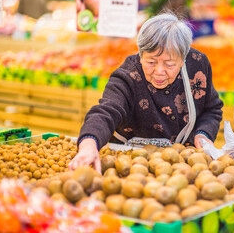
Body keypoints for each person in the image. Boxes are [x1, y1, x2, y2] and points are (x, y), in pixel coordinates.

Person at [69, 13, 223, 173]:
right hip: (129, 164)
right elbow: (106, 112)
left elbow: (211, 109)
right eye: (151, 62)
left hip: (182, 165)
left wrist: (203, 134)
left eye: (169, 64)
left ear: (183, 59)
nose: (159, 71)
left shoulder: (197, 65)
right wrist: (89, 144)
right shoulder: (127, 76)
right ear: (140, 55)